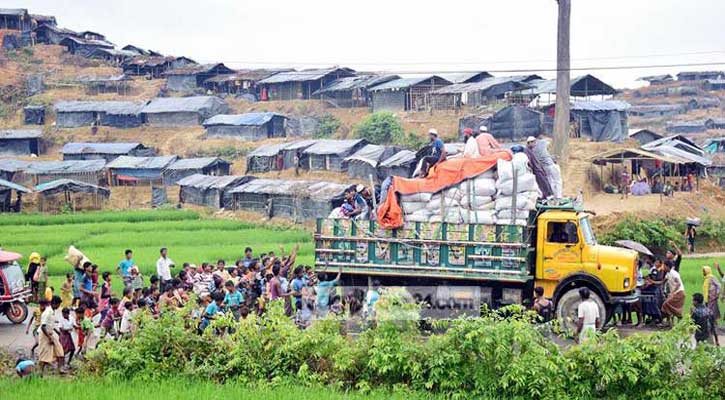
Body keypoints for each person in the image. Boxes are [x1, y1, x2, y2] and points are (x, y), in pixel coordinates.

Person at [38, 296, 65, 374]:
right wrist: (49, 338)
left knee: (60, 351)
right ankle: (40, 372)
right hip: (45, 335)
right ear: (54, 303)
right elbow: (43, 326)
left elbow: (51, 325)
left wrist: (57, 332)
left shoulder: (52, 312)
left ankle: (60, 369)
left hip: (51, 334)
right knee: (45, 354)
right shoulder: (47, 312)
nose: (59, 306)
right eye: (58, 304)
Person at [661, 260, 685, 327]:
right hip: (675, 293)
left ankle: (674, 321)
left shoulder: (674, 273)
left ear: (667, 266)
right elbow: (663, 282)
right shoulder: (668, 274)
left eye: (664, 266)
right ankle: (670, 323)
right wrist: (653, 282)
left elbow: (678, 284)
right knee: (668, 306)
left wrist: (672, 293)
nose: (663, 267)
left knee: (666, 304)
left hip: (679, 293)